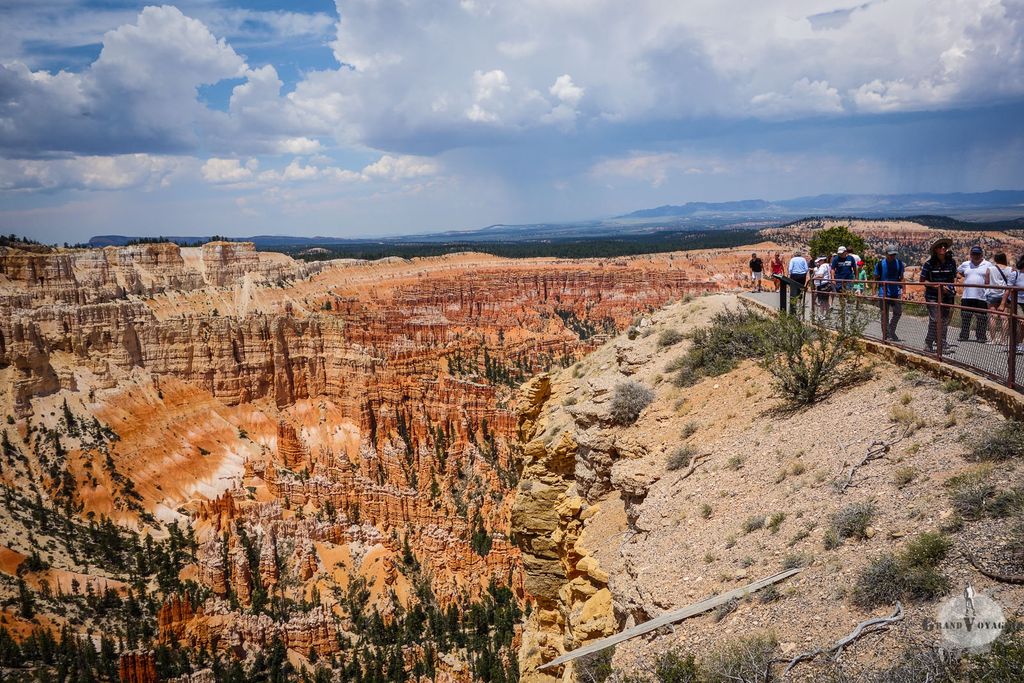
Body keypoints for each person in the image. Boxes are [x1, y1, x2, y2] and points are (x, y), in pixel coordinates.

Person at [920, 237, 958, 353]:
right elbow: (922, 281)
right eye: (940, 246)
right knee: (935, 319)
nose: (943, 248)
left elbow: (954, 277)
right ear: (935, 249)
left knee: (945, 320)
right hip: (932, 296)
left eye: (945, 246)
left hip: (947, 296)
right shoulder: (929, 264)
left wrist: (952, 287)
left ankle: (941, 343)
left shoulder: (951, 262)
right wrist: (937, 286)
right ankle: (928, 343)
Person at [956, 246, 991, 343]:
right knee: (965, 317)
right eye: (973, 254)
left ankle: (981, 337)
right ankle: (964, 336)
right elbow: (958, 272)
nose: (975, 256)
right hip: (967, 296)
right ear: (970, 255)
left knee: (982, 318)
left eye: (977, 254)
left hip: (982, 296)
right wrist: (964, 277)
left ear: (981, 254)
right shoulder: (965, 264)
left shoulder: (988, 264)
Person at [875, 244, 905, 342]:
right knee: (884, 315)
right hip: (883, 292)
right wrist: (873, 293)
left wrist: (904, 291)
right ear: (886, 254)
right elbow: (875, 278)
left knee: (898, 312)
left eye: (894, 254)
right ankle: (886, 335)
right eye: (891, 254)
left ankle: (891, 330)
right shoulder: (880, 264)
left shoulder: (899, 264)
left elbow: (902, 278)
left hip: (895, 292)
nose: (892, 256)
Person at [1000, 254, 1024, 354]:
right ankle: (1016, 344)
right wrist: (1002, 303)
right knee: (1021, 321)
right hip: (1016, 302)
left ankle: (1017, 344)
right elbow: (1008, 290)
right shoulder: (1015, 274)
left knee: (1021, 325)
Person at [987, 253, 1012, 345]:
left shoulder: (990, 269)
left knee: (993, 316)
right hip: (1005, 294)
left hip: (993, 293)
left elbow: (986, 282)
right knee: (1004, 317)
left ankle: (993, 340)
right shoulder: (1010, 269)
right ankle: (1003, 340)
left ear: (995, 259)